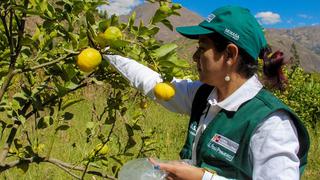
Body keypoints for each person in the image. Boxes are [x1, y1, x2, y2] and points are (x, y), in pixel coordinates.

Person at [103, 5, 310, 180]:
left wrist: (202, 177)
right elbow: (153, 84)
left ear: (230, 54)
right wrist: (106, 53)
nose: (195, 57)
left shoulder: (271, 123)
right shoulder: (204, 95)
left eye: (202, 48)